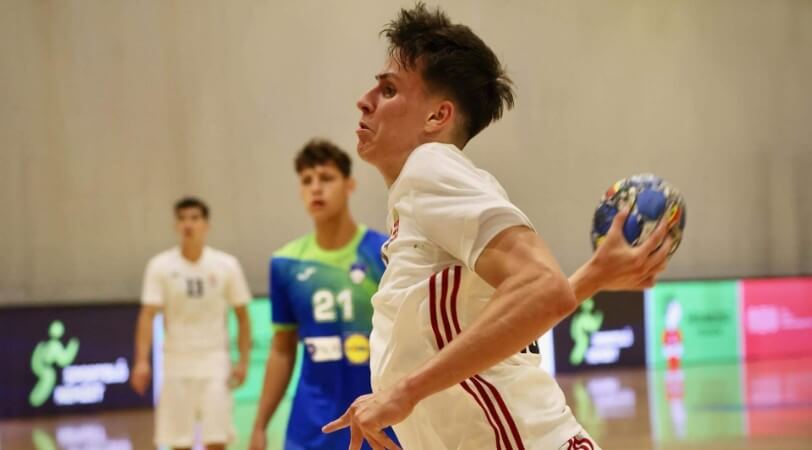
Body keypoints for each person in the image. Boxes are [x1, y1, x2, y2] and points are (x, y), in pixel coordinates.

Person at [323, 4, 674, 449]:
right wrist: (591, 277)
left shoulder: (429, 168)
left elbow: (542, 289)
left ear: (437, 117)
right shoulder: (420, 198)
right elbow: (505, 322)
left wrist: (403, 393)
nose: (365, 99)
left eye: (388, 89)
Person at [250, 140, 397, 450]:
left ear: (349, 185)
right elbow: (282, 350)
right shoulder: (286, 263)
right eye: (307, 181)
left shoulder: (384, 252)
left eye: (326, 178)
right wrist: (260, 424)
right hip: (312, 425)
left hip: (379, 418)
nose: (316, 188)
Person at [131, 197, 252, 450]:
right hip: (176, 362)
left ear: (206, 224)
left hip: (214, 360)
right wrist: (142, 361)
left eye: (195, 218)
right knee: (179, 441)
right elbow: (148, 314)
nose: (188, 224)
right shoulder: (160, 266)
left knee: (216, 439)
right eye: (182, 219)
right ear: (175, 225)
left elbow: (242, 315)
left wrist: (243, 361)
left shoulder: (226, 265)